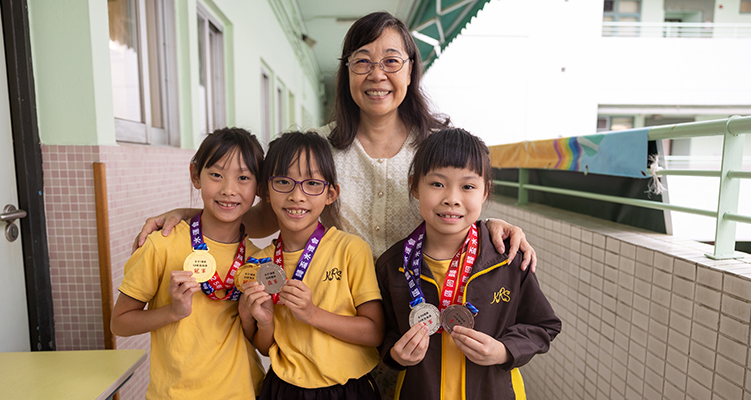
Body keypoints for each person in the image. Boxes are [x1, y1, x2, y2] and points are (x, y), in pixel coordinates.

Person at [132, 12, 537, 273]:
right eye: (362, 61)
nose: (377, 74)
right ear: (346, 72)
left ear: (410, 70)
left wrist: (494, 227)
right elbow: (269, 215)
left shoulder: (436, 148)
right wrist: (189, 215)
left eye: (391, 61)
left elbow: (458, 210)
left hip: (420, 310)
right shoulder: (317, 148)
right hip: (337, 309)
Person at [376, 128, 561, 400]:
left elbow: (543, 325)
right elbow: (383, 332)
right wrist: (395, 354)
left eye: (468, 187)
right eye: (437, 184)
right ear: (415, 186)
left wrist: (504, 351)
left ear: (485, 192)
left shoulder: (508, 258)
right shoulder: (394, 265)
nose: (452, 198)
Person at [110, 128, 266, 400]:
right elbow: (119, 323)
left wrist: (251, 316)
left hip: (245, 391)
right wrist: (173, 312)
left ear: (259, 187)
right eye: (216, 175)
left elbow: (261, 340)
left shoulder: (257, 260)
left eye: (243, 178)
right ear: (195, 175)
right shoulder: (161, 245)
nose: (229, 190)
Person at [239, 131, 383, 399]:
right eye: (283, 181)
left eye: (313, 183)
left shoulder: (351, 250)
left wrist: (312, 314)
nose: (297, 195)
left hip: (348, 390)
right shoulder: (260, 263)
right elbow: (265, 347)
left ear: (331, 193)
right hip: (283, 389)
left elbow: (374, 332)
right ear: (265, 192)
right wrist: (264, 322)